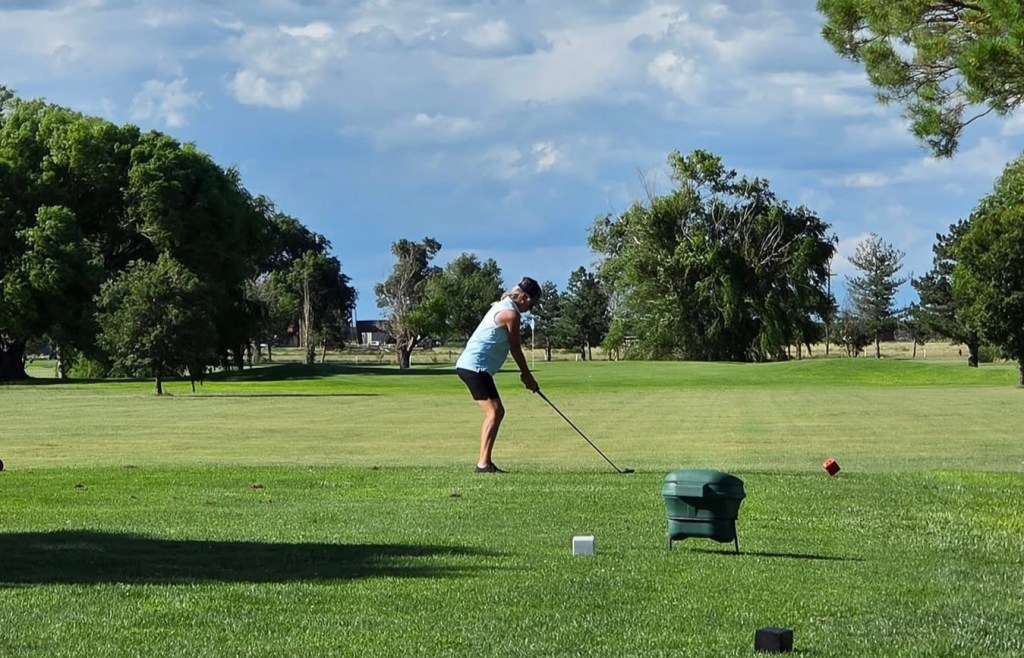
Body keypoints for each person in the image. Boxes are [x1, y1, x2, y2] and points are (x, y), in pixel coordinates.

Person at [455, 277, 542, 473]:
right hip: (475, 367)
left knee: (496, 411)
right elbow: (515, 348)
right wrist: (527, 376)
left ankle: (484, 463)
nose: (530, 309)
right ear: (522, 297)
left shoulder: (504, 306)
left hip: (474, 367)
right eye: (530, 304)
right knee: (495, 412)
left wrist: (527, 376)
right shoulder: (511, 314)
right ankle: (483, 464)